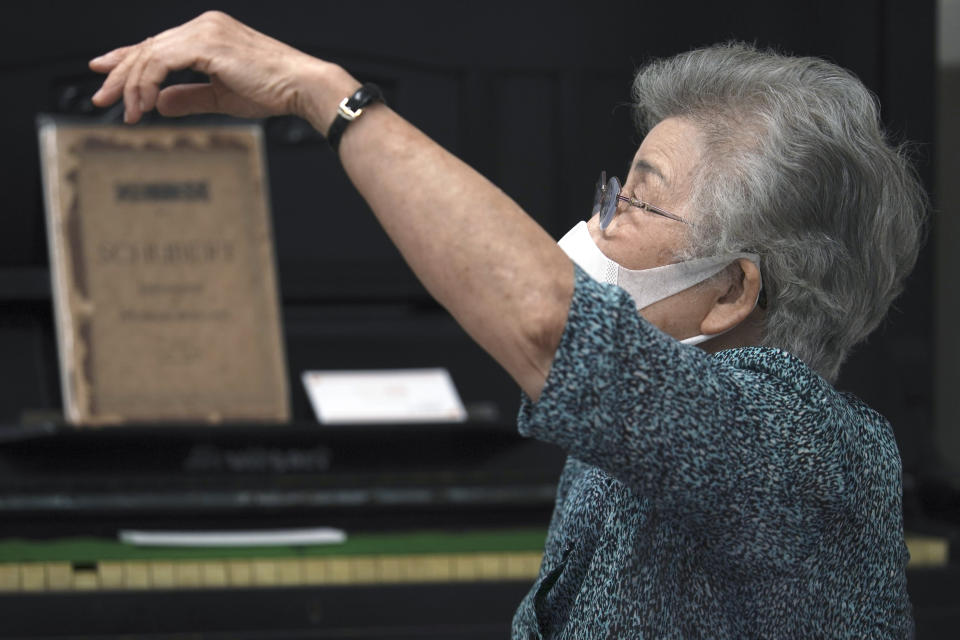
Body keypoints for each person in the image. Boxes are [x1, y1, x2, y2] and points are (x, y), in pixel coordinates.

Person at [89, 11, 926, 638]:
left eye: (633, 199)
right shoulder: (657, 424)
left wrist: (321, 94)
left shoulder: (802, 439)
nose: (594, 228)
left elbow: (543, 323)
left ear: (730, 293)